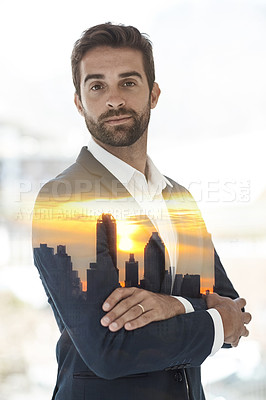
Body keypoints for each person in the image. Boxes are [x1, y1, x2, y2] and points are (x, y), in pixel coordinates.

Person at [32, 23, 251, 400]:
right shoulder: (64, 201)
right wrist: (212, 317)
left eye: (128, 83)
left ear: (153, 94)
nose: (114, 100)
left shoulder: (177, 197)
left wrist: (174, 305)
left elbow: (230, 304)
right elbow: (109, 351)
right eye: (97, 86)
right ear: (79, 102)